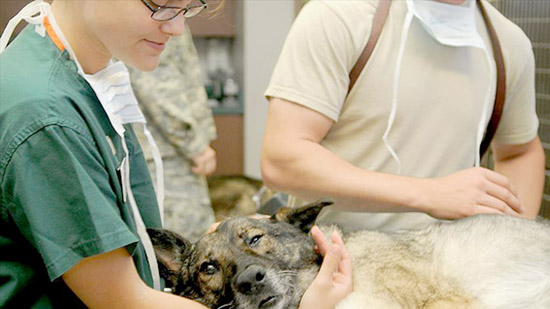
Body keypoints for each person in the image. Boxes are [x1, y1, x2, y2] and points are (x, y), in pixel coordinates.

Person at [0, 0, 352, 307]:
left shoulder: (85, 76)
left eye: (187, 7)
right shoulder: (47, 117)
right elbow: (124, 302)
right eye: (159, 2)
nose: (177, 27)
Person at [261, 0, 545, 233]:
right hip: (336, 267)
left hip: (452, 268)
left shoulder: (508, 44)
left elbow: (519, 152)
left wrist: (510, 240)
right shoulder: (340, 16)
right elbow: (282, 159)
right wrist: (428, 194)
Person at [128, 24, 217, 242]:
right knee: (186, 248)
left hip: (164, 151)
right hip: (166, 156)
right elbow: (157, 85)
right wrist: (195, 145)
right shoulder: (159, 11)